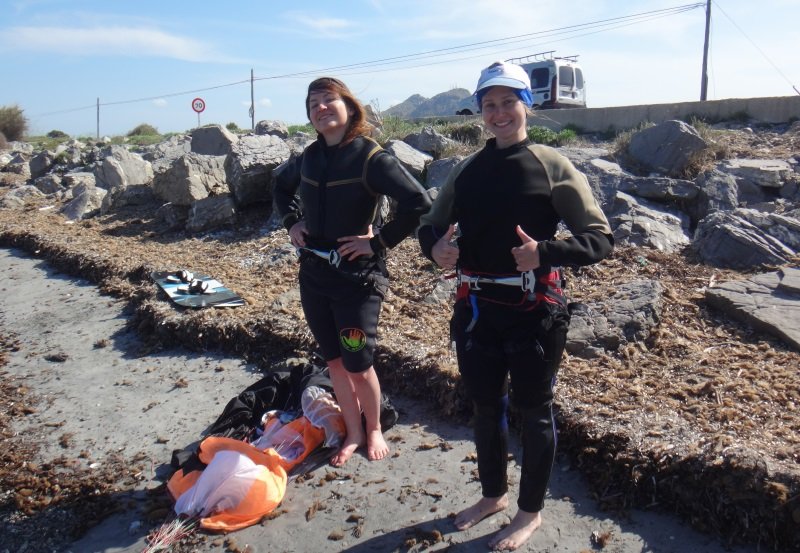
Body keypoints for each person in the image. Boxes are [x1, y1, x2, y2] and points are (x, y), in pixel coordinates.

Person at [417, 61, 613, 551]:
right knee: (486, 408)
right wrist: (435, 249)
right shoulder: (468, 169)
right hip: (477, 309)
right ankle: (493, 496)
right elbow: (429, 225)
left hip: (533, 311)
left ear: (527, 105)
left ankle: (530, 512)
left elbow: (599, 239)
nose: (499, 113)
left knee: (535, 411)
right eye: (490, 104)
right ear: (480, 111)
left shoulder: (551, 164)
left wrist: (543, 252)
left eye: (509, 102)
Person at [273, 77, 431, 467]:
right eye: (313, 104)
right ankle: (353, 432)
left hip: (357, 280)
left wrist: (376, 243)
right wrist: (292, 222)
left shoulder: (370, 157)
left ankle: (374, 428)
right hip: (314, 275)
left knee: (358, 364)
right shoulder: (308, 156)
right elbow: (279, 186)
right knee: (334, 362)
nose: (321, 108)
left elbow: (418, 202)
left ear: (348, 107)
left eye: (329, 100)